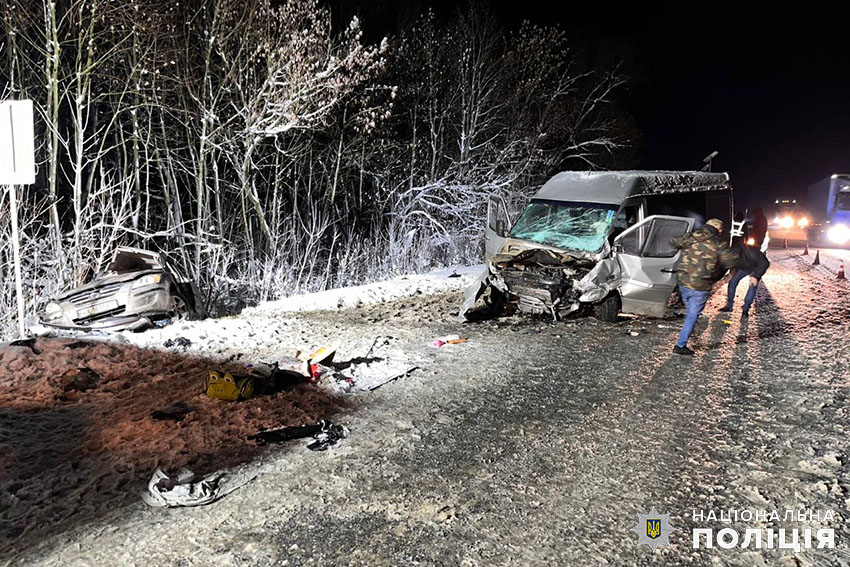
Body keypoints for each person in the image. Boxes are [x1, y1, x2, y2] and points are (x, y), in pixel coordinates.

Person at [669, 218, 739, 355]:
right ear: (719, 230)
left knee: (691, 313)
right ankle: (680, 345)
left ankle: (689, 329)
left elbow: (673, 241)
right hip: (700, 286)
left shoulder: (691, 237)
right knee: (692, 316)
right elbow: (731, 260)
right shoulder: (718, 243)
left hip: (683, 283)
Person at [719, 241, 770, 317]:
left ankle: (745, 310)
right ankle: (729, 305)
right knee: (732, 282)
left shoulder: (750, 252)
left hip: (756, 267)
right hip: (743, 267)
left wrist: (756, 276)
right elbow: (731, 266)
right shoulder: (731, 255)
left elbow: (765, 263)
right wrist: (728, 275)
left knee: (752, 286)